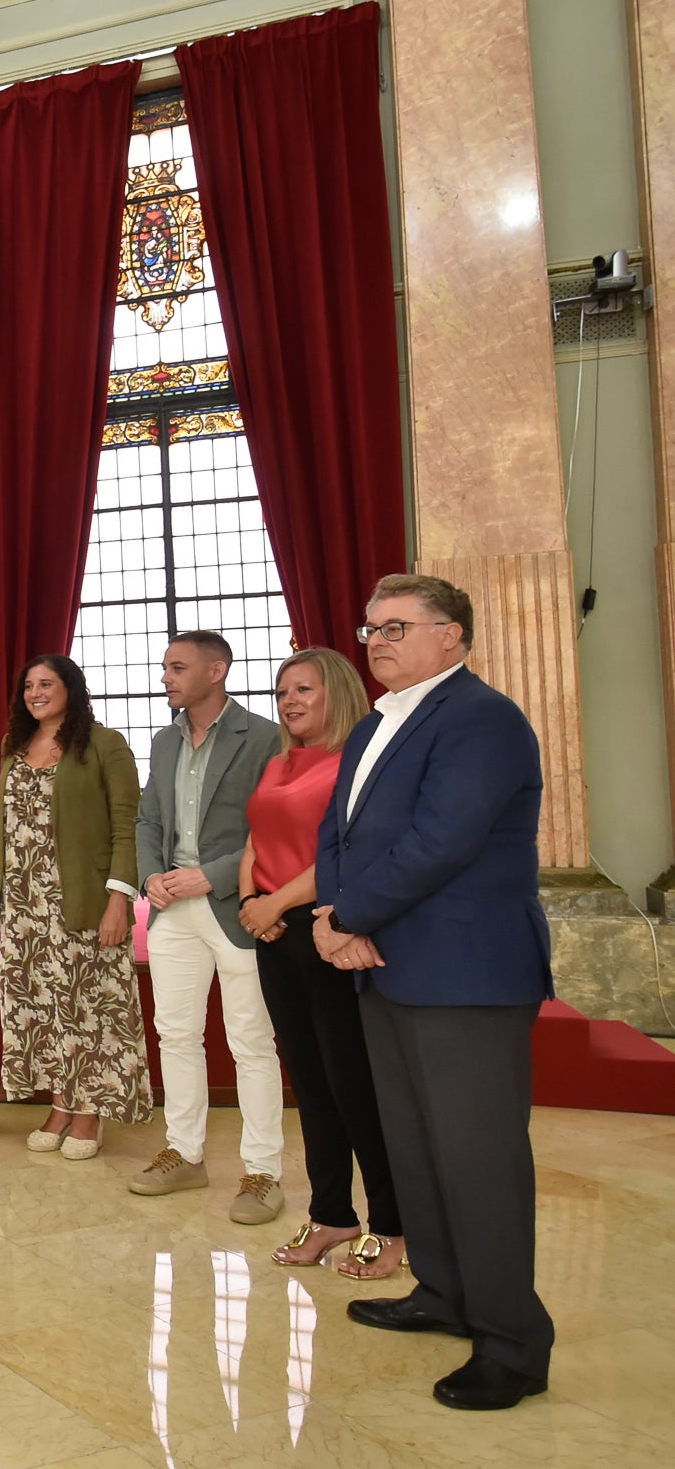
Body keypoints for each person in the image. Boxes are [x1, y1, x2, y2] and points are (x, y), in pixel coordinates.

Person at [319, 575, 555, 1411]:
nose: (375, 639)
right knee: (416, 1148)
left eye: (396, 626)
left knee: (478, 1160)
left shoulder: (482, 720)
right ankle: (445, 1294)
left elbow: (440, 843)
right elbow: (336, 832)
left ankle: (512, 1342)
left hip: (466, 971)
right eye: (369, 625)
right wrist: (332, 913)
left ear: (451, 636)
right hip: (385, 965)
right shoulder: (376, 724)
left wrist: (345, 913)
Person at [237, 648, 402, 1279]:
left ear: (337, 692)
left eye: (304, 689)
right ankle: (333, 1212)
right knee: (308, 1084)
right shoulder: (279, 762)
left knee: (352, 1085)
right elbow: (256, 835)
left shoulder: (357, 762)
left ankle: (392, 1224)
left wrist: (276, 900)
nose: (290, 701)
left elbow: (346, 852)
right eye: (282, 692)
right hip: (273, 931)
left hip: (328, 930)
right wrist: (254, 901)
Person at [132, 632, 286, 1224]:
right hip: (171, 909)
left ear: (217, 670)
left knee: (250, 1041)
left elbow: (271, 828)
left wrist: (211, 876)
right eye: (165, 667)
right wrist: (151, 877)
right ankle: (185, 1155)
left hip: (234, 904)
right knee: (175, 1034)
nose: (166, 677)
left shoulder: (264, 737)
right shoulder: (165, 741)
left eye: (178, 667)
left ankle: (262, 1173)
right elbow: (149, 818)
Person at [0, 654, 149, 1159]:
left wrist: (119, 899)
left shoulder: (105, 745)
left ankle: (89, 1112)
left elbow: (128, 826)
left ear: (71, 688)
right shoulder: (14, 748)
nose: (36, 693)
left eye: (47, 684)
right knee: (41, 1007)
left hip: (81, 899)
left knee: (89, 1008)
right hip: (25, 905)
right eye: (29, 685)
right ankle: (61, 1102)